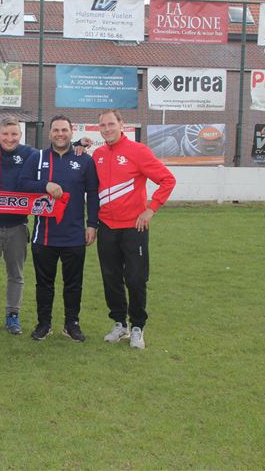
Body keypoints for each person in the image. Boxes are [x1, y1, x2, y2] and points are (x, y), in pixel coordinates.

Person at [93, 109, 176, 350]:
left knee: (136, 278)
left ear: (121, 124)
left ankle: (138, 326)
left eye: (111, 124)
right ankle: (120, 324)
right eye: (102, 125)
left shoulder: (138, 151)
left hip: (133, 227)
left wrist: (151, 209)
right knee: (111, 278)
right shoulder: (97, 154)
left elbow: (167, 179)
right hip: (106, 226)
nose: (107, 129)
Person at [17, 115, 99, 342]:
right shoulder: (38, 157)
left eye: (64, 130)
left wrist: (92, 224)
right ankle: (44, 324)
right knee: (44, 283)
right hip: (44, 235)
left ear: (71, 132)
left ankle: (71, 324)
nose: (60, 134)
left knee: (73, 283)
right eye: (56, 130)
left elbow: (92, 194)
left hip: (74, 234)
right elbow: (22, 184)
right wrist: (45, 185)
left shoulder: (84, 160)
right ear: (50, 133)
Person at [0, 116, 35, 335]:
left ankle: (13, 315)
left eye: (14, 134)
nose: (9, 139)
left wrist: (78, 146)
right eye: (5, 134)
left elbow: (53, 159)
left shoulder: (30, 154)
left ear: (20, 135)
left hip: (18, 225)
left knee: (16, 274)